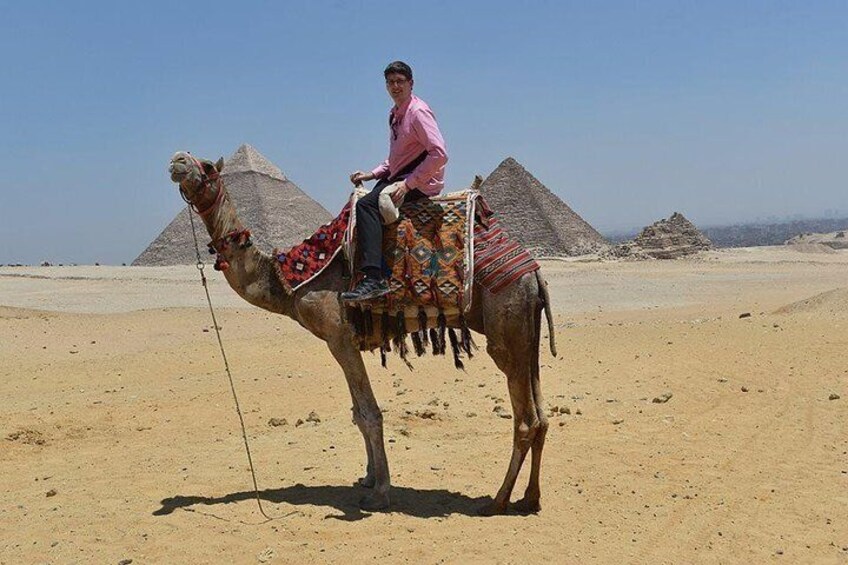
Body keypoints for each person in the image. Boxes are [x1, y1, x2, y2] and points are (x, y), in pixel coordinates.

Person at [342, 60, 448, 302]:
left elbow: (439, 154)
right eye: (390, 82)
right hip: (399, 176)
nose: (395, 86)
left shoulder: (418, 112)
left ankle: (374, 279)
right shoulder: (395, 114)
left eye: (400, 82)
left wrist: (408, 184)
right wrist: (373, 173)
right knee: (361, 200)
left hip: (419, 182)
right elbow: (398, 158)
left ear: (411, 84)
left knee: (366, 205)